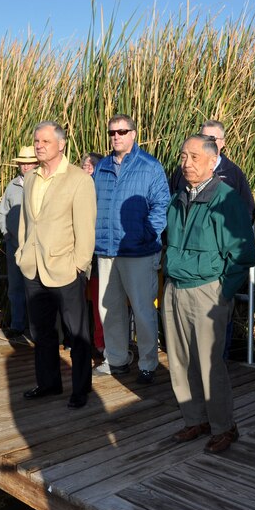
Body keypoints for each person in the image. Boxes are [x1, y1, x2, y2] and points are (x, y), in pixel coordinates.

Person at [163, 134, 255, 453]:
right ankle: (195, 420)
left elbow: (242, 255)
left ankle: (223, 427)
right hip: (175, 288)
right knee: (179, 361)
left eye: (193, 158)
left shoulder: (227, 200)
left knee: (209, 364)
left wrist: (223, 294)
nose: (186, 163)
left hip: (208, 292)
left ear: (212, 160)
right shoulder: (177, 199)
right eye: (183, 157)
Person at [16, 121, 96, 409]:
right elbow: (27, 222)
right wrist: (21, 253)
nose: (39, 146)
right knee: (41, 331)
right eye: (37, 141)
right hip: (32, 267)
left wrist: (79, 265)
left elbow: (85, 228)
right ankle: (49, 383)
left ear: (61, 145)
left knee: (76, 333)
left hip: (66, 269)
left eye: (45, 141)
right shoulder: (32, 178)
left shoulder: (78, 179)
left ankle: (81, 388)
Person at [92, 114, 170, 384]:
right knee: (109, 309)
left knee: (142, 309)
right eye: (112, 132)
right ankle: (116, 359)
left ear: (133, 134)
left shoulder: (150, 166)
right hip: (106, 250)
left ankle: (148, 363)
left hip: (139, 252)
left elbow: (162, 206)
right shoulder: (101, 167)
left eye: (122, 131)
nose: (116, 136)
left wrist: (147, 235)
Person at [169, 119, 255, 220]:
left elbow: (248, 210)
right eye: (203, 137)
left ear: (223, 142)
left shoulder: (233, 173)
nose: (208, 142)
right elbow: (169, 201)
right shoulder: (183, 170)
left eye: (212, 138)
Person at [0, 146, 38, 338]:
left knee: (35, 287)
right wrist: (6, 233)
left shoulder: (42, 183)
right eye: (23, 162)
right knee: (15, 286)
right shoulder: (12, 186)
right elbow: (2, 211)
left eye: (29, 162)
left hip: (35, 245)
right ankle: (17, 324)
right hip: (14, 244)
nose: (26, 166)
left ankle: (35, 327)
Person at [80, 152, 106, 353]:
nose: (87, 168)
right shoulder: (76, 190)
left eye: (92, 165)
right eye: (84, 165)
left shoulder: (103, 192)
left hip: (98, 255)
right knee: (81, 301)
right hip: (80, 257)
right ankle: (81, 339)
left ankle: (101, 343)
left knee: (100, 302)